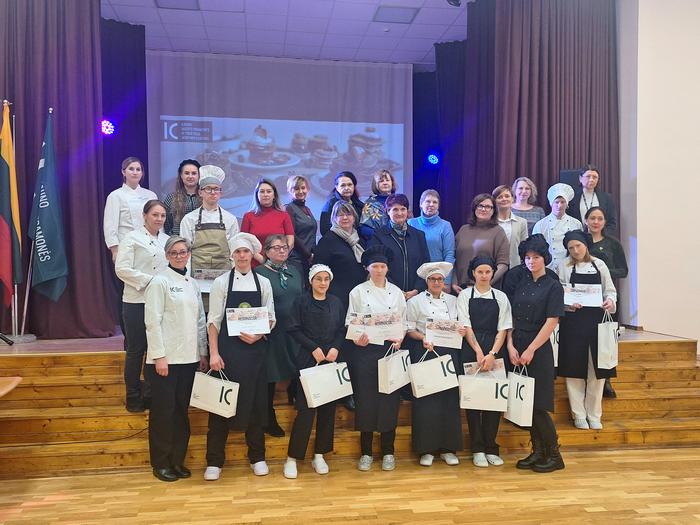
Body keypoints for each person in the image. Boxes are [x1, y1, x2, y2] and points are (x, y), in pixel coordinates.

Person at [203, 233, 276, 481]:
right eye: (238, 252)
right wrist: (214, 353)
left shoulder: (263, 282)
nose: (242, 256)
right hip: (228, 353)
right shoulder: (221, 283)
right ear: (232, 256)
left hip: (255, 353)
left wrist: (259, 335)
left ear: (252, 255)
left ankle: (257, 457)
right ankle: (214, 461)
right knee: (220, 407)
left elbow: (271, 317)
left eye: (246, 252)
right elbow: (213, 321)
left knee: (256, 404)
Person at [143, 236, 207, 482]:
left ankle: (177, 460)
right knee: (163, 413)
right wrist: (159, 356)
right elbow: (152, 321)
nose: (179, 256)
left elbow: (200, 320)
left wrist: (202, 352)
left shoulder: (192, 283)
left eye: (183, 252)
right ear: (167, 255)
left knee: (181, 412)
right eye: (174, 252)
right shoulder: (159, 281)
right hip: (165, 361)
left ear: (189, 254)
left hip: (189, 359)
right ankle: (161, 463)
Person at [506, 235, 565, 473]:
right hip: (517, 344)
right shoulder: (522, 283)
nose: (531, 261)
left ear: (545, 258)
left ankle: (554, 455)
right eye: (528, 257)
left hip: (538, 348)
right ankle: (538, 451)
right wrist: (510, 345)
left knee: (538, 405)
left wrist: (531, 349)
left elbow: (552, 321)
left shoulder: (553, 285)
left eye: (536, 257)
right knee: (525, 404)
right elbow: (510, 317)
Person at [347, 246, 407, 472]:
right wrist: (357, 339)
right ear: (367, 268)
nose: (379, 270)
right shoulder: (357, 292)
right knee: (366, 400)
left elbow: (404, 321)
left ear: (387, 268)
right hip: (365, 352)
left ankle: (388, 451)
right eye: (375, 266)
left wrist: (400, 338)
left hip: (390, 351)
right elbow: (350, 321)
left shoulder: (397, 292)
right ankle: (366, 452)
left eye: (382, 266)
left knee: (389, 400)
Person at [283, 264, 346, 479]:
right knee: (306, 410)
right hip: (308, 360)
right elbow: (293, 328)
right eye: (318, 279)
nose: (322, 283)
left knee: (328, 410)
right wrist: (313, 348)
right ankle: (293, 458)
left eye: (326, 279)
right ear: (311, 281)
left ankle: (319, 455)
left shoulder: (336, 302)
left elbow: (341, 329)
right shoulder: (301, 301)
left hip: (331, 360)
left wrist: (335, 348)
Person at [556, 231, 617, 430]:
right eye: (571, 248)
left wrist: (610, 301)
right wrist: (568, 304)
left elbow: (610, 291)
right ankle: (579, 414)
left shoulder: (600, 265)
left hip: (597, 322)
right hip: (573, 322)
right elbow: (559, 293)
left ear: (586, 245)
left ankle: (594, 414)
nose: (575, 251)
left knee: (597, 369)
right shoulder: (563, 266)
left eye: (578, 246)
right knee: (574, 369)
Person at [406, 262, 464, 467]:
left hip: (450, 353)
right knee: (426, 401)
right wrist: (422, 337)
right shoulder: (415, 302)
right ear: (426, 281)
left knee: (449, 400)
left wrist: (461, 331)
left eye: (440, 279)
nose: (437, 283)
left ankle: (449, 449)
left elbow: (461, 325)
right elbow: (409, 329)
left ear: (444, 281)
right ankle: (426, 449)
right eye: (432, 279)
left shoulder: (454, 301)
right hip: (426, 351)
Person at [457, 255, 513, 467]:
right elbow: (466, 325)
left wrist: (492, 354)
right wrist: (479, 352)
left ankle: (491, 447)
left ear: (492, 273)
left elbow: (503, 328)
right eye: (480, 272)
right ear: (473, 273)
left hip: (495, 350)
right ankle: (477, 449)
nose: (484, 275)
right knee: (473, 400)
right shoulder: (464, 295)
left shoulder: (501, 296)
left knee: (494, 401)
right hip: (471, 349)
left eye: (487, 272)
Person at [115, 199, 169, 412]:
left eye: (162, 215)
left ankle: (150, 394)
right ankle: (133, 396)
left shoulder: (166, 240)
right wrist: (150, 281)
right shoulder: (131, 238)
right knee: (136, 350)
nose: (159, 219)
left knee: (155, 350)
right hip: (136, 302)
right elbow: (122, 269)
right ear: (145, 215)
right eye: (155, 214)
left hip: (160, 304)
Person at [255, 235, 303, 438]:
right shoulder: (259, 273)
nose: (282, 251)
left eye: (284, 247)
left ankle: (299, 405)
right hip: (272, 333)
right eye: (276, 248)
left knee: (297, 368)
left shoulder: (295, 271)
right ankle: (267, 417)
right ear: (266, 251)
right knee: (269, 374)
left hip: (295, 331)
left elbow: (302, 298)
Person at [585, 205, 628, 399]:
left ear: (604, 222)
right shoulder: (580, 241)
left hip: (606, 298)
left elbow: (623, 271)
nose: (596, 222)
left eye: (599, 218)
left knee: (607, 340)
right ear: (586, 220)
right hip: (584, 298)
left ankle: (607, 380)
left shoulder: (613, 244)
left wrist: (602, 271)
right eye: (592, 218)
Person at [368, 193, 430, 301]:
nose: (400, 213)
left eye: (403, 209)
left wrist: (417, 290)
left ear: (407, 211)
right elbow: (377, 267)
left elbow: (425, 264)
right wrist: (395, 291)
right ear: (388, 211)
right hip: (387, 294)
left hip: (416, 295)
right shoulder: (379, 236)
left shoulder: (419, 235)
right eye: (395, 209)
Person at [179, 170, 240, 278]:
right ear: (200, 192)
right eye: (208, 188)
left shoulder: (230, 219)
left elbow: (234, 251)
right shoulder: (189, 219)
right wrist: (186, 278)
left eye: (216, 189)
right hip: (197, 275)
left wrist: (234, 278)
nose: (213, 192)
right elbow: (185, 252)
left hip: (224, 275)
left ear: (221, 193)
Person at [314, 200, 367, 314]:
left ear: (354, 218)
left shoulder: (360, 240)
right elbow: (318, 270)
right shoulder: (327, 241)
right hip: (337, 299)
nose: (345, 218)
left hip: (360, 297)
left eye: (348, 214)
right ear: (334, 219)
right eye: (340, 215)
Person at [103, 156, 158, 262]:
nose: (135, 172)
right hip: (126, 246)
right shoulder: (115, 196)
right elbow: (110, 226)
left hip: (149, 244)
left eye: (138, 169)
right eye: (131, 169)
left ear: (142, 173)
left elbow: (158, 222)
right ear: (123, 172)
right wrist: (115, 250)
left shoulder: (151, 195)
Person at [453, 194, 510, 293]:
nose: (483, 209)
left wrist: (484, 284)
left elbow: (503, 264)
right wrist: (453, 282)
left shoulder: (498, 231)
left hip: (485, 290)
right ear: (474, 208)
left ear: (493, 210)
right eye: (480, 205)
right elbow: (454, 259)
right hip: (460, 288)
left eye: (488, 207)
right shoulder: (463, 230)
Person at [407, 189, 456, 291]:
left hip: (438, 278)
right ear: (421, 204)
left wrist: (446, 281)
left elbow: (449, 254)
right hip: (415, 278)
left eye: (435, 202)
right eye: (428, 201)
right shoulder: (411, 223)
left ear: (438, 206)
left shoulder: (445, 226)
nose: (431, 205)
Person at [241, 178, 295, 267]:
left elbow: (290, 240)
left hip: (278, 264)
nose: (265, 194)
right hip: (255, 264)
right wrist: (262, 260)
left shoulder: (284, 215)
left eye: (269, 191)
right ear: (257, 195)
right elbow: (244, 242)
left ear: (274, 195)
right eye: (262, 192)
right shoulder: (248, 216)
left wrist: (280, 256)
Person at [532, 183, 582, 270]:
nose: (559, 206)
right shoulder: (540, 225)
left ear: (567, 204)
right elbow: (535, 249)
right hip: (547, 268)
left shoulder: (576, 224)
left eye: (563, 202)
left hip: (570, 268)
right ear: (551, 203)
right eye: (556, 202)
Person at [569, 165, 618, 234]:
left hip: (600, 237)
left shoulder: (607, 198)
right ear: (580, 178)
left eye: (594, 177)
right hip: (577, 237)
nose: (591, 180)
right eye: (588, 176)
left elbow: (612, 223)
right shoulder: (572, 198)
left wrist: (602, 236)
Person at [285, 174, 318, 277]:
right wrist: (308, 255)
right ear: (290, 190)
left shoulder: (308, 209)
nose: (300, 191)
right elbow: (292, 235)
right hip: (296, 260)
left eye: (303, 188)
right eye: (296, 189)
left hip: (310, 260)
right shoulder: (288, 209)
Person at [493, 185, 529, 269]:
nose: (504, 199)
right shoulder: (489, 222)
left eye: (507, 196)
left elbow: (524, 248)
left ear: (512, 199)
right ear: (494, 201)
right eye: (500, 197)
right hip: (493, 268)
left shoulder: (522, 222)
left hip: (515, 267)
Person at [162, 159, 202, 235]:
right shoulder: (171, 198)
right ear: (181, 175)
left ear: (199, 176)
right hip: (178, 239)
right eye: (186, 173)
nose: (190, 176)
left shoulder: (205, 198)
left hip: (201, 240)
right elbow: (166, 223)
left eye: (194, 173)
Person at [319, 171, 364, 236]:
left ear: (354, 186)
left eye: (349, 185)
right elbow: (324, 229)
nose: (347, 188)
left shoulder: (359, 204)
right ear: (336, 187)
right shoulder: (330, 204)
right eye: (343, 185)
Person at [359, 169, 396, 241]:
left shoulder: (399, 201)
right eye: (381, 181)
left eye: (387, 180)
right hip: (377, 242)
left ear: (392, 183)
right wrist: (382, 237)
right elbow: (364, 229)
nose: (385, 183)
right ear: (376, 184)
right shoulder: (370, 203)